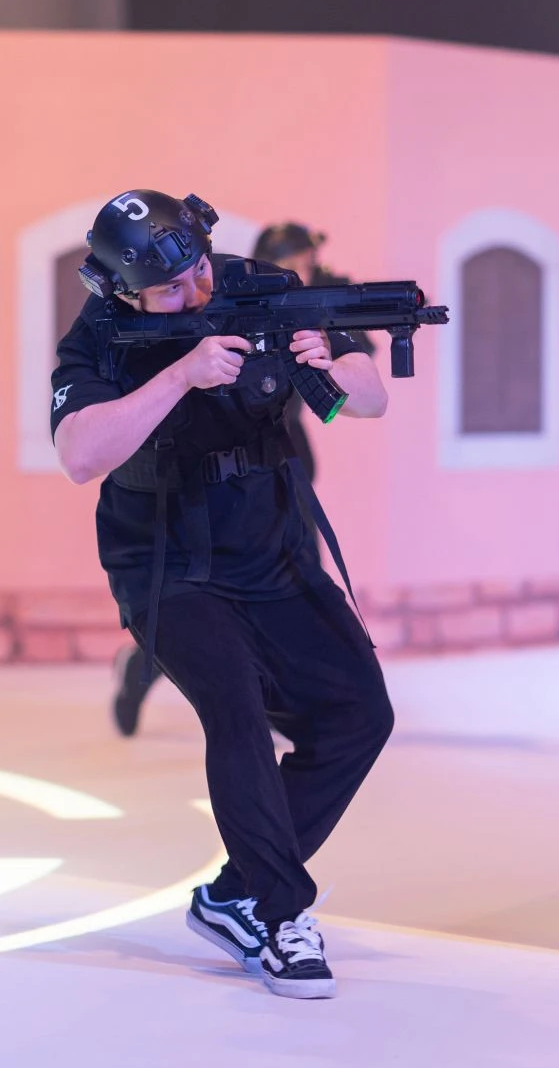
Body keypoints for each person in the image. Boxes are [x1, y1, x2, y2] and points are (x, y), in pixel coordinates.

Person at [52, 189, 394, 999]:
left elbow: (370, 396)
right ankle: (279, 914)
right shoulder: (97, 335)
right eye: (169, 290)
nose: (196, 292)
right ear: (122, 291)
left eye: (199, 269)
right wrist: (182, 374)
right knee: (235, 711)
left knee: (358, 714)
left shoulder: (263, 288)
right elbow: (79, 454)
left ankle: (233, 893)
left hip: (271, 549)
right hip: (165, 563)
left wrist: (328, 363)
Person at [107, 219, 374, 736]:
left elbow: (358, 359)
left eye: (305, 266)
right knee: (206, 608)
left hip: (283, 467)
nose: (298, 274)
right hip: (217, 472)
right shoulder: (229, 307)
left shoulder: (305, 300)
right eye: (290, 265)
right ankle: (142, 668)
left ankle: (288, 704)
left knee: (299, 586)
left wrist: (328, 325)